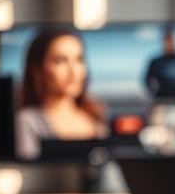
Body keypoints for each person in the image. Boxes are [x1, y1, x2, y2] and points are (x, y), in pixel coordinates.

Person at [15, 27, 108, 160]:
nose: (73, 71)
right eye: (60, 61)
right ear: (37, 71)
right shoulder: (27, 121)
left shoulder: (96, 119)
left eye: (79, 60)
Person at [143, 24, 175, 101]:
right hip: (163, 101)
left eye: (171, 39)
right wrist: (155, 95)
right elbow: (147, 81)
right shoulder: (156, 62)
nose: (169, 43)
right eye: (167, 40)